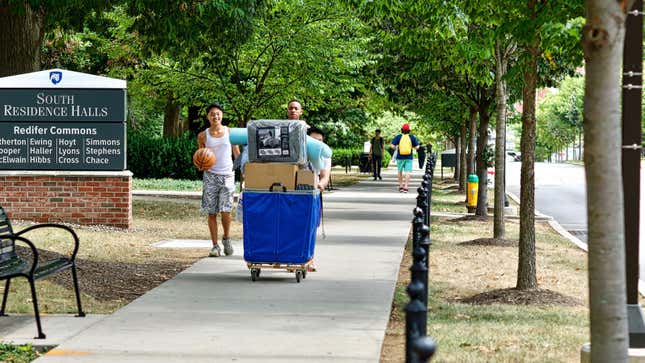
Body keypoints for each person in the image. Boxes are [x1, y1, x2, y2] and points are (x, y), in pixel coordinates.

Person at [197, 103, 241, 257]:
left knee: (226, 210)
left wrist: (244, 173)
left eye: (218, 113)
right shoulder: (203, 135)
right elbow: (200, 155)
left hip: (228, 174)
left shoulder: (230, 132)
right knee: (211, 212)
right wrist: (200, 164)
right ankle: (215, 246)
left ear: (221, 115)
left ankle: (227, 238)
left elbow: (236, 153)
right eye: (212, 114)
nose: (215, 116)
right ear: (207, 117)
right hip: (210, 176)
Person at [390, 123, 419, 193]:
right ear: (409, 130)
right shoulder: (412, 137)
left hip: (400, 157)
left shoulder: (398, 137)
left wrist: (396, 147)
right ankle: (406, 186)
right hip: (409, 157)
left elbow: (392, 145)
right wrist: (412, 147)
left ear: (402, 130)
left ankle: (400, 186)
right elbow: (417, 147)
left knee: (399, 172)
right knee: (407, 172)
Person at [306, 126, 331, 192]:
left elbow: (325, 176)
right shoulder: (298, 154)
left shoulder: (325, 156)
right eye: (314, 141)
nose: (317, 144)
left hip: (314, 190)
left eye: (319, 141)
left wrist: (321, 184)